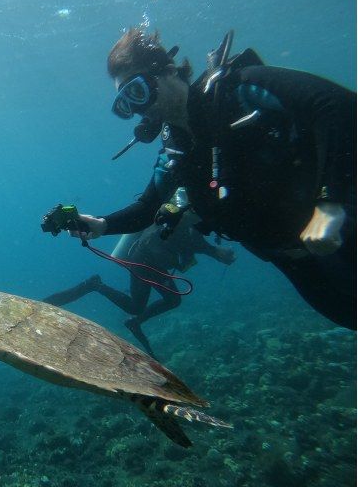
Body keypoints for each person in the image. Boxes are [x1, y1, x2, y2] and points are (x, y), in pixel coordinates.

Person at [69, 28, 355, 330]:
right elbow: (146, 208)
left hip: (347, 229)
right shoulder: (174, 151)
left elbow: (336, 106)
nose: (139, 108)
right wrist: (102, 224)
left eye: (137, 91)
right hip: (292, 260)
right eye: (126, 104)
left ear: (168, 70)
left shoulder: (237, 90)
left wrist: (330, 203)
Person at [44, 211, 235, 355]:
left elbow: (192, 241)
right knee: (151, 303)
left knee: (161, 302)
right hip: (145, 260)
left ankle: (131, 318)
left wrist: (214, 250)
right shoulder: (189, 217)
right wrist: (215, 251)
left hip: (149, 260)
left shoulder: (190, 218)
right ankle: (97, 288)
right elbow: (191, 240)